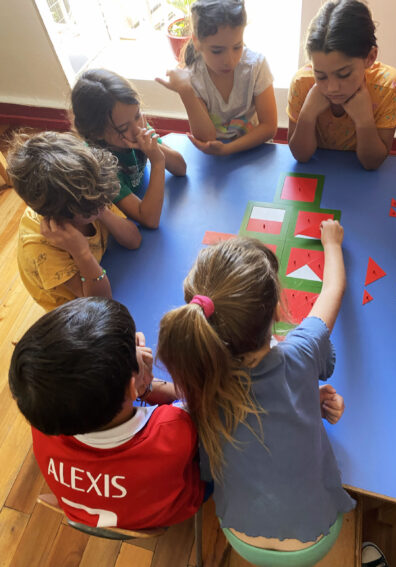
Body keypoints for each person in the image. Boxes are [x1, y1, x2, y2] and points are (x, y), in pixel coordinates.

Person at [157, 222, 355, 563]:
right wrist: (332, 242)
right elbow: (332, 290)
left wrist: (309, 399)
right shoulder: (301, 351)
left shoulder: (199, 377)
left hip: (238, 536)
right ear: (278, 309)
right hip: (313, 541)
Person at [8, 297, 206, 529]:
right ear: (132, 387)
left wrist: (134, 376)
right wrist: (146, 385)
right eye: (134, 346)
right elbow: (196, 401)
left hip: (96, 512)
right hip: (174, 507)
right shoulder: (172, 427)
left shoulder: (45, 419)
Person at [8, 131, 141, 311]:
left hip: (100, 273)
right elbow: (100, 304)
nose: (102, 202)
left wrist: (102, 211)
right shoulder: (41, 247)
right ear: (59, 215)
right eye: (94, 205)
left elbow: (134, 240)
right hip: (73, 308)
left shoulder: (90, 193)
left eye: (101, 199)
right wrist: (82, 253)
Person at [287, 0, 396, 170]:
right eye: (320, 76)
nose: (332, 88)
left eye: (344, 74)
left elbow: (372, 163)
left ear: (370, 57)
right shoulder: (302, 83)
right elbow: (301, 156)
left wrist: (364, 120)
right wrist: (307, 114)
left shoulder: (390, 86)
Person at [155, 0, 277, 156]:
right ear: (197, 42)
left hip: (254, 150)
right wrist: (185, 91)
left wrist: (227, 149)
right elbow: (207, 138)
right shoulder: (193, 76)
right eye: (217, 51)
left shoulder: (256, 66)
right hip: (214, 155)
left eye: (237, 47)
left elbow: (269, 127)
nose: (229, 60)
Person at [71, 68, 187, 227]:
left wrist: (155, 151)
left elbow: (181, 168)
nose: (138, 129)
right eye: (123, 128)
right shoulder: (99, 166)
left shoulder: (133, 125)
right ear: (96, 133)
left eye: (138, 115)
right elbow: (149, 219)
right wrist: (158, 162)